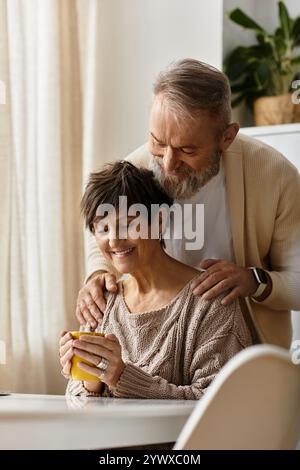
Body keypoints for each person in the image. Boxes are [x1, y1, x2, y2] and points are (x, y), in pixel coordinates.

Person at [76, 59, 300, 348]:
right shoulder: (137, 167)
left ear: (227, 137)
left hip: (247, 356)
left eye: (187, 149)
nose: (168, 163)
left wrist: (254, 280)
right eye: (157, 142)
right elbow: (101, 231)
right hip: (156, 350)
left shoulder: (274, 175)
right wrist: (97, 276)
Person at [60, 161, 252, 399]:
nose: (114, 241)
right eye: (103, 229)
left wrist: (121, 377)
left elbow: (220, 402)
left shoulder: (209, 299)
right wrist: (90, 378)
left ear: (159, 222)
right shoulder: (102, 300)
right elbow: (80, 406)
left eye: (128, 224)